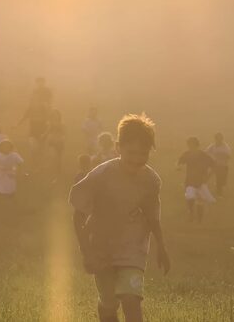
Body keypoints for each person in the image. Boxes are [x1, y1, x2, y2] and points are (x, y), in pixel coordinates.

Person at [69, 113, 170, 322]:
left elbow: (152, 215)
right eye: (131, 153)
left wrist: (161, 245)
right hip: (101, 246)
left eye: (143, 154)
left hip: (133, 247)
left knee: (131, 299)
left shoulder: (151, 180)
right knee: (108, 303)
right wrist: (86, 251)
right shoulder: (101, 175)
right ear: (117, 147)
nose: (136, 160)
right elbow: (78, 215)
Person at [177, 137, 216, 222]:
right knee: (190, 198)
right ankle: (191, 213)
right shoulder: (187, 154)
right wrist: (179, 167)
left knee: (200, 201)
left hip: (201, 182)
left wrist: (208, 176)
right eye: (189, 145)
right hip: (190, 181)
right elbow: (180, 162)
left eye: (192, 145)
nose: (191, 147)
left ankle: (199, 219)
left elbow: (214, 165)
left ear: (196, 145)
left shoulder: (204, 155)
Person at [206, 133, 231, 197]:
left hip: (222, 166)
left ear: (222, 139)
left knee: (220, 181)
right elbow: (206, 152)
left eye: (220, 139)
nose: (218, 140)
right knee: (207, 177)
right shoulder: (213, 145)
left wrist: (220, 157)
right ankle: (200, 189)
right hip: (214, 165)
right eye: (217, 138)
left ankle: (219, 193)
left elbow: (228, 156)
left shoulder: (225, 147)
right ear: (215, 139)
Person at [45, 109, 66, 181]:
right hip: (52, 142)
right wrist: (43, 135)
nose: (55, 116)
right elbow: (47, 131)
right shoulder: (50, 123)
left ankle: (57, 173)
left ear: (59, 115)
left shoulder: (62, 124)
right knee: (53, 156)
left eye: (56, 114)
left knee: (58, 159)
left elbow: (63, 133)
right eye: (53, 114)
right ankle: (53, 172)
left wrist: (62, 138)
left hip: (59, 143)